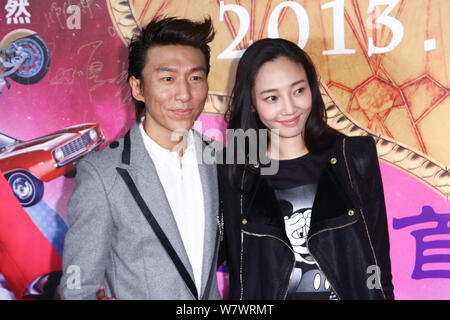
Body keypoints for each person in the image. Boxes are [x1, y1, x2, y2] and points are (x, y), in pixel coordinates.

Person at [218, 38, 394, 300]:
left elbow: (377, 257)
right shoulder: (234, 172)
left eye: (298, 91)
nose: (289, 108)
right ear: (252, 103)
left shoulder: (353, 158)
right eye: (272, 97)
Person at [60, 17, 222, 300]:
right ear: (137, 88)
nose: (184, 94)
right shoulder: (103, 174)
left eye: (195, 77)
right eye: (167, 79)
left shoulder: (222, 161)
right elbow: (76, 288)